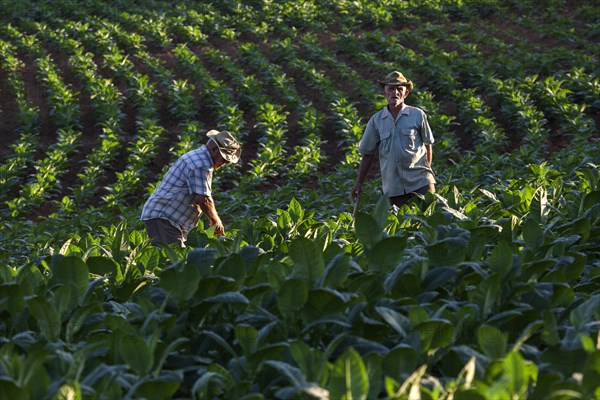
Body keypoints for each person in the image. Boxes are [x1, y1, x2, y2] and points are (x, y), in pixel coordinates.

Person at [141, 129, 241, 247]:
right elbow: (204, 199)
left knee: (176, 260)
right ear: (214, 149)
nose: (225, 163)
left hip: (168, 220)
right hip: (165, 219)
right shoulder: (201, 164)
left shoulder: (199, 158)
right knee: (173, 260)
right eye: (224, 159)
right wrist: (216, 221)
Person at [352, 71, 435, 208]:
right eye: (391, 88)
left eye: (399, 89)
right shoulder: (376, 120)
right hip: (394, 187)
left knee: (429, 222)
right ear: (385, 93)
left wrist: (427, 171)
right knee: (401, 226)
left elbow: (428, 144)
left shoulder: (417, 115)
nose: (395, 92)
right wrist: (359, 182)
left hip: (421, 183)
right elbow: (368, 153)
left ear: (405, 93)